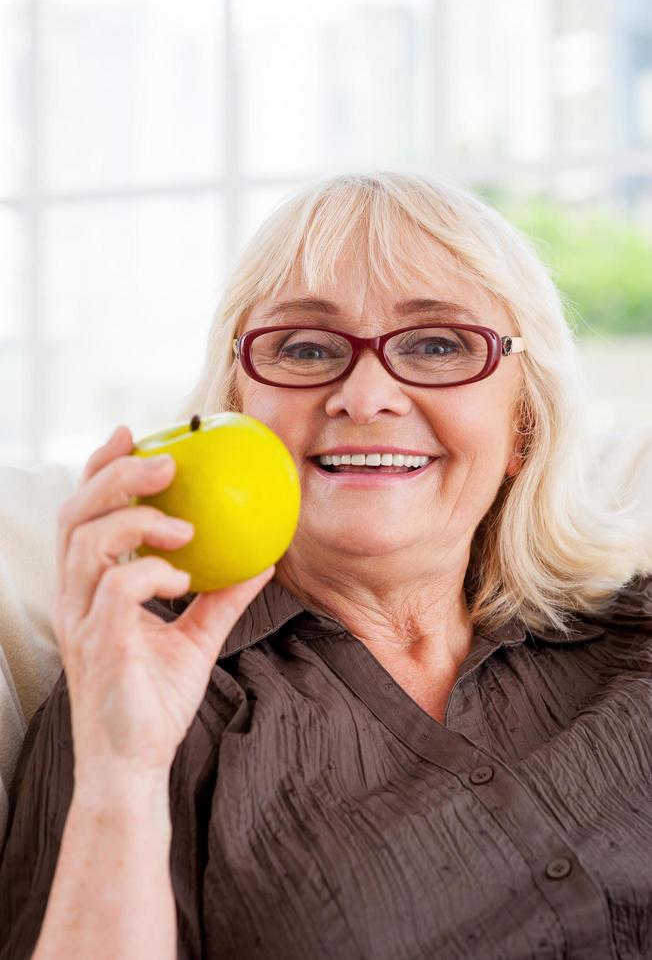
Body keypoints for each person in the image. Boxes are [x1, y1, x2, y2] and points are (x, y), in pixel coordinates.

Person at [0, 171, 650, 960]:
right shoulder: (137, 693)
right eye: (305, 347)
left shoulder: (635, 646)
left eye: (439, 344)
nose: (366, 393)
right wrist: (122, 772)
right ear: (238, 412)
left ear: (523, 425)